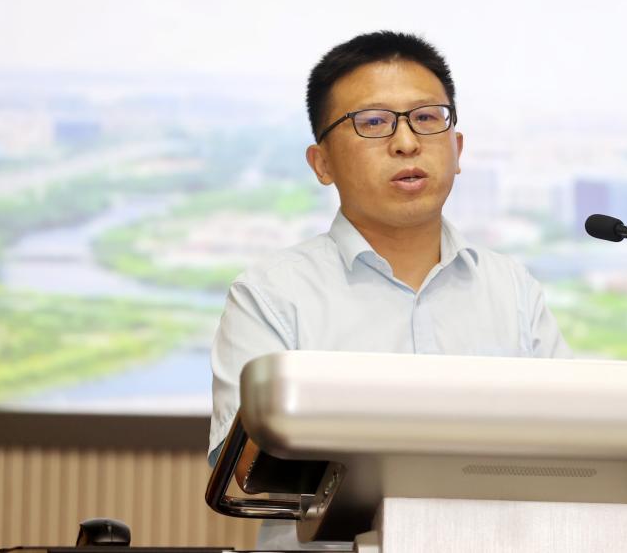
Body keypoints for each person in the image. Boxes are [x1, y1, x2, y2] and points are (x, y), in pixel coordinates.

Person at [208, 31, 572, 548]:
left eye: (426, 117)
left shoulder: (512, 290)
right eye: (374, 122)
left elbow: (572, 444)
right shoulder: (270, 294)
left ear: (457, 149)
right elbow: (248, 469)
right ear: (322, 163)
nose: (406, 142)